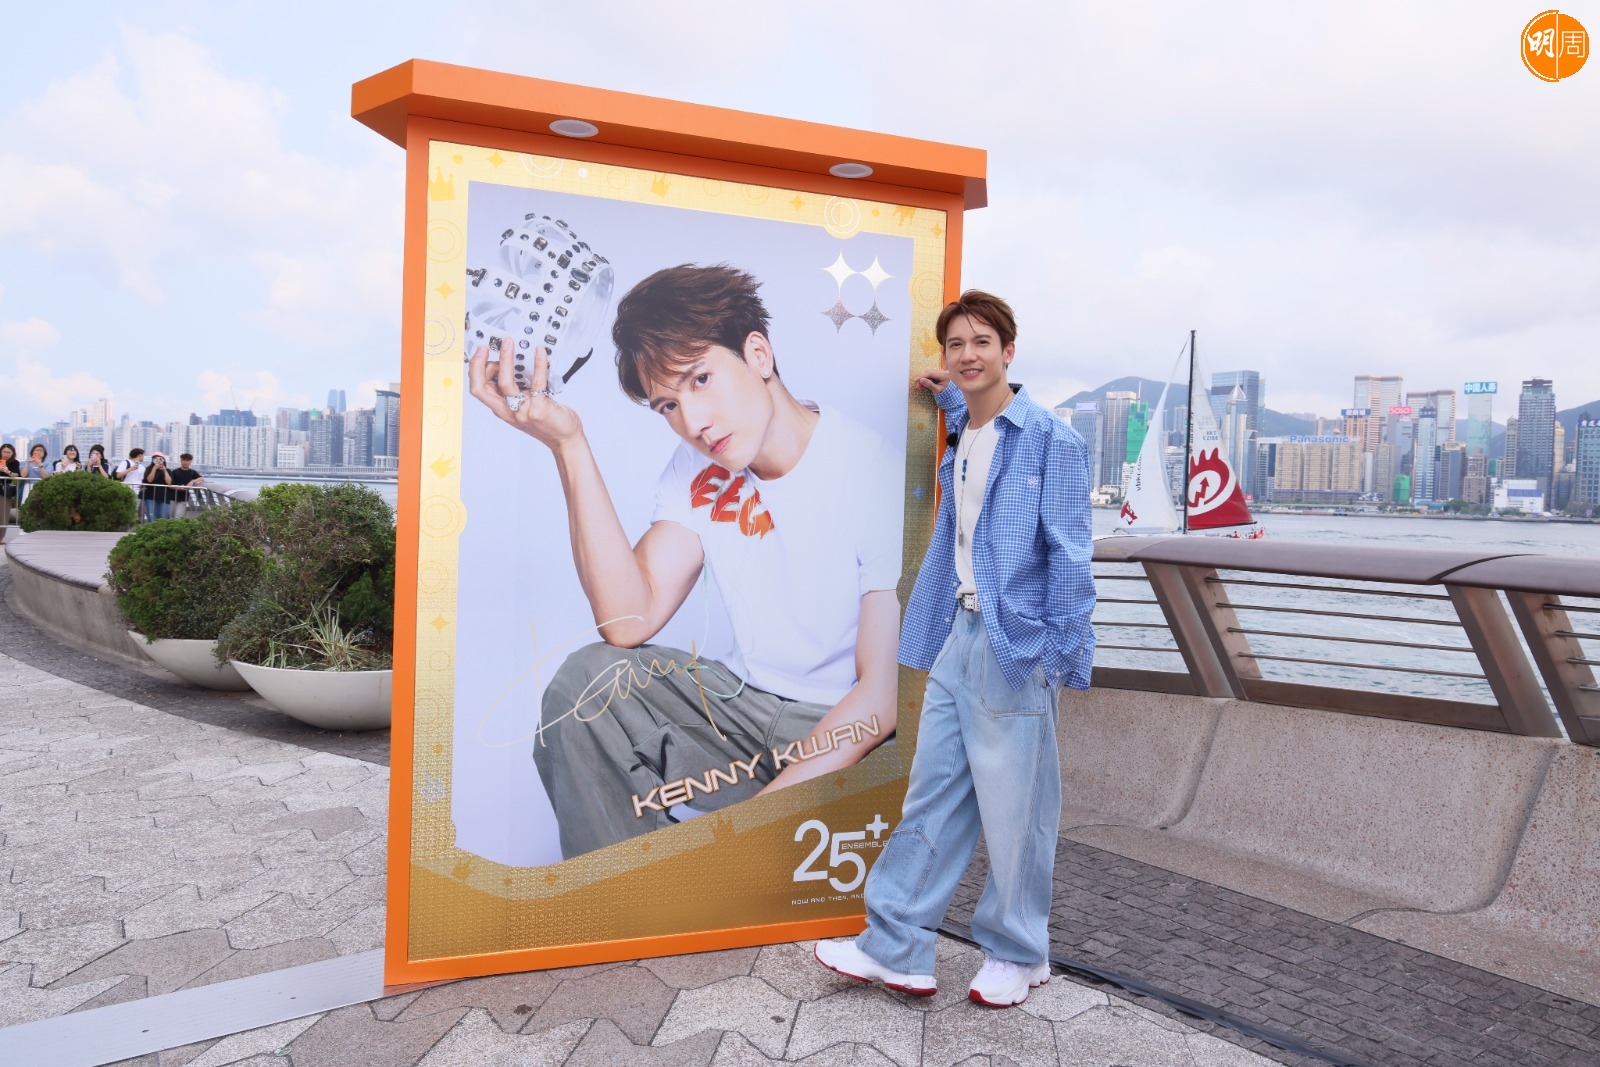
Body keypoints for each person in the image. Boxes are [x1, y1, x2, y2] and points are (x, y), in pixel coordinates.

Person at [468, 263, 903, 860]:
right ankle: (626, 895)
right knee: (587, 683)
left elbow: (881, 699)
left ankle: (720, 872)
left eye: (701, 378)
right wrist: (568, 444)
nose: (693, 423)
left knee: (879, 771)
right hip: (744, 715)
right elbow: (628, 621)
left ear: (758, 354)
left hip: (847, 736)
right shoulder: (697, 466)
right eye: (668, 405)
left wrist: (751, 830)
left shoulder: (874, 473)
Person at [813, 291, 1095, 1008]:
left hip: (1015, 645)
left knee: (1016, 812)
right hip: (957, 635)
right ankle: (896, 946)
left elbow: (1070, 555)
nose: (968, 355)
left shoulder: (1051, 440)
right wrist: (947, 399)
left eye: (982, 342)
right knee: (931, 795)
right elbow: (973, 432)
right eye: (956, 345)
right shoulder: (967, 428)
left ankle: (1019, 952)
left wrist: (1061, 656)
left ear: (1009, 350)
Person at [142, 453, 176, 520]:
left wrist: (164, 470)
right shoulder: (148, 469)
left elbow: (169, 482)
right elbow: (149, 480)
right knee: (151, 516)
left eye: (160, 458)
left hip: (164, 497)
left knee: (163, 516)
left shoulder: (168, 470)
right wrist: (154, 468)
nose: (157, 460)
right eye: (155, 458)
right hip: (150, 496)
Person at [0, 444, 19, 525]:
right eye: (4, 452)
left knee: (4, 513)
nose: (6, 454)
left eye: (8, 452)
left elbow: (17, 475)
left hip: (5, 489)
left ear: (12, 453)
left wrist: (7, 471)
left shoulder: (14, 462)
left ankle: (2, 532)